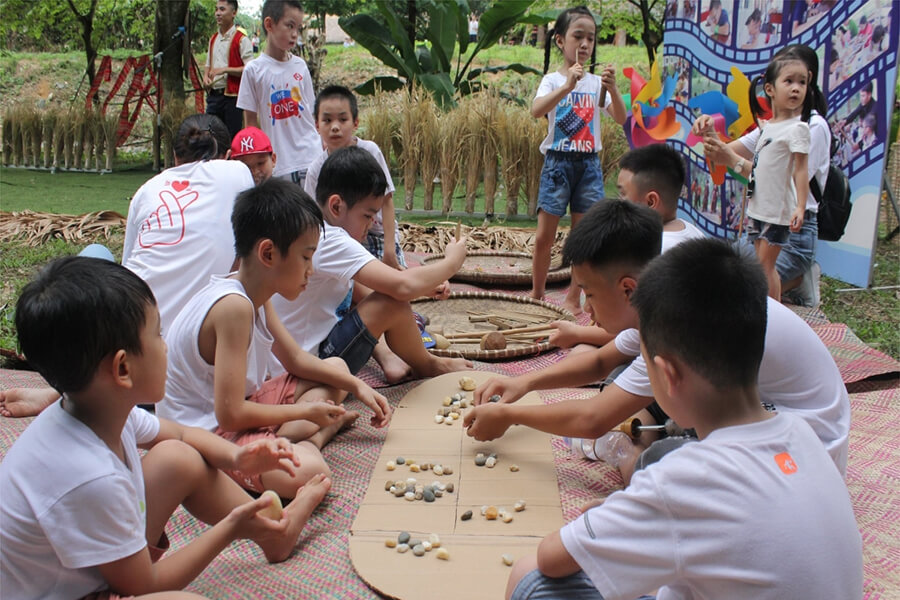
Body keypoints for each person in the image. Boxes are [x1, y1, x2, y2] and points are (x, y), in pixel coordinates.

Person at [503, 238, 863, 600]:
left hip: (684, 496)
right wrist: (639, 516)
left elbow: (551, 558)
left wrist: (634, 514)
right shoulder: (803, 435)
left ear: (668, 374)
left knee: (529, 578)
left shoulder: (682, 479)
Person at [0, 257, 333, 599]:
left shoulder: (101, 409)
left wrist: (239, 458)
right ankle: (261, 527)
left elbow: (182, 435)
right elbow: (144, 585)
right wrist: (229, 529)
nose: (166, 344)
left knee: (178, 457)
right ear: (123, 368)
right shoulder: (92, 478)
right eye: (157, 334)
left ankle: (273, 534)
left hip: (92, 557)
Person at [464, 200, 850, 480]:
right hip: (776, 418)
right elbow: (600, 361)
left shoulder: (673, 323)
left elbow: (593, 417)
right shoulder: (662, 286)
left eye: (590, 294)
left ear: (628, 288)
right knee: (641, 396)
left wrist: (509, 415)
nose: (585, 310)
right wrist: (523, 382)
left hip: (807, 452)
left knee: (655, 469)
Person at [0, 114, 254, 420]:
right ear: (226, 155)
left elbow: (124, 274)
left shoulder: (148, 189)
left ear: (174, 158)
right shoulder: (238, 173)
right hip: (180, 358)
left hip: (123, 349)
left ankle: (69, 389)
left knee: (95, 254)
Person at [157, 178, 391, 499]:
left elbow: (294, 359)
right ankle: (312, 439)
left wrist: (357, 385)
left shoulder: (253, 293)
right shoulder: (233, 308)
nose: (310, 270)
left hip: (243, 409)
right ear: (268, 252)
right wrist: (305, 414)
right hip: (207, 434)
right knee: (311, 472)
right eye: (306, 258)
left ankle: (296, 436)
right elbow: (230, 415)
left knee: (336, 368)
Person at [271, 146, 472, 383]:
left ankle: (407, 360)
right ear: (336, 206)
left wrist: (421, 287)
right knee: (391, 304)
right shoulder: (330, 239)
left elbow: (363, 290)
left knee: (388, 298)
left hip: (296, 357)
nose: (371, 224)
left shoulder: (315, 230)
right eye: (367, 216)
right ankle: (429, 365)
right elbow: (400, 287)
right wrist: (452, 262)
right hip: (305, 364)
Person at [695, 44, 828, 307]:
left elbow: (785, 180)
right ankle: (786, 289)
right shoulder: (768, 127)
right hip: (761, 214)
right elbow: (720, 155)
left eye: (799, 81)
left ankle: (793, 288)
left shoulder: (811, 127)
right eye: (786, 79)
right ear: (770, 87)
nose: (793, 88)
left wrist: (733, 161)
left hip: (793, 229)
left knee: (750, 278)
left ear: (808, 82)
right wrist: (708, 132)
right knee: (717, 273)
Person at [545, 143, 704, 353]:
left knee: (582, 353)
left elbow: (630, 325)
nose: (618, 202)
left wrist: (577, 333)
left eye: (623, 195)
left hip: (668, 347)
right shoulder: (690, 231)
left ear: (650, 202)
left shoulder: (658, 251)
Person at [531, 6, 627, 315]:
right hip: (557, 164)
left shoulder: (598, 83)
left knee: (582, 238)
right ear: (560, 41)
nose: (585, 44)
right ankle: (537, 295)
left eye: (591, 38)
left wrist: (612, 88)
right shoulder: (551, 80)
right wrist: (567, 85)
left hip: (588, 165)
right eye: (578, 37)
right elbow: (536, 110)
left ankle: (574, 299)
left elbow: (621, 118)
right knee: (545, 235)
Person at [304, 85, 405, 270]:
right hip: (341, 240)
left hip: (378, 235)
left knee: (392, 283)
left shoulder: (370, 151)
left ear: (355, 122)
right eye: (327, 120)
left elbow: (387, 201)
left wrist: (390, 250)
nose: (335, 127)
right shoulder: (315, 170)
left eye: (343, 119)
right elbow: (315, 220)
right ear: (317, 125)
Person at [237, 0, 320, 188]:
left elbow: (313, 113)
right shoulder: (253, 71)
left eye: (298, 28)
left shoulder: (300, 66)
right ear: (269, 24)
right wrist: (258, 163)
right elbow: (250, 124)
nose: (294, 34)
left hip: (310, 158)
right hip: (278, 164)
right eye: (289, 26)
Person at [204, 0, 253, 140]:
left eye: (222, 9)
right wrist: (206, 77)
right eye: (216, 10)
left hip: (232, 97)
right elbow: (208, 63)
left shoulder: (241, 40)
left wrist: (225, 69)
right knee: (212, 136)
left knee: (232, 137)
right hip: (214, 95)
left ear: (233, 13)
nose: (218, 13)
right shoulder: (213, 39)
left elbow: (249, 69)